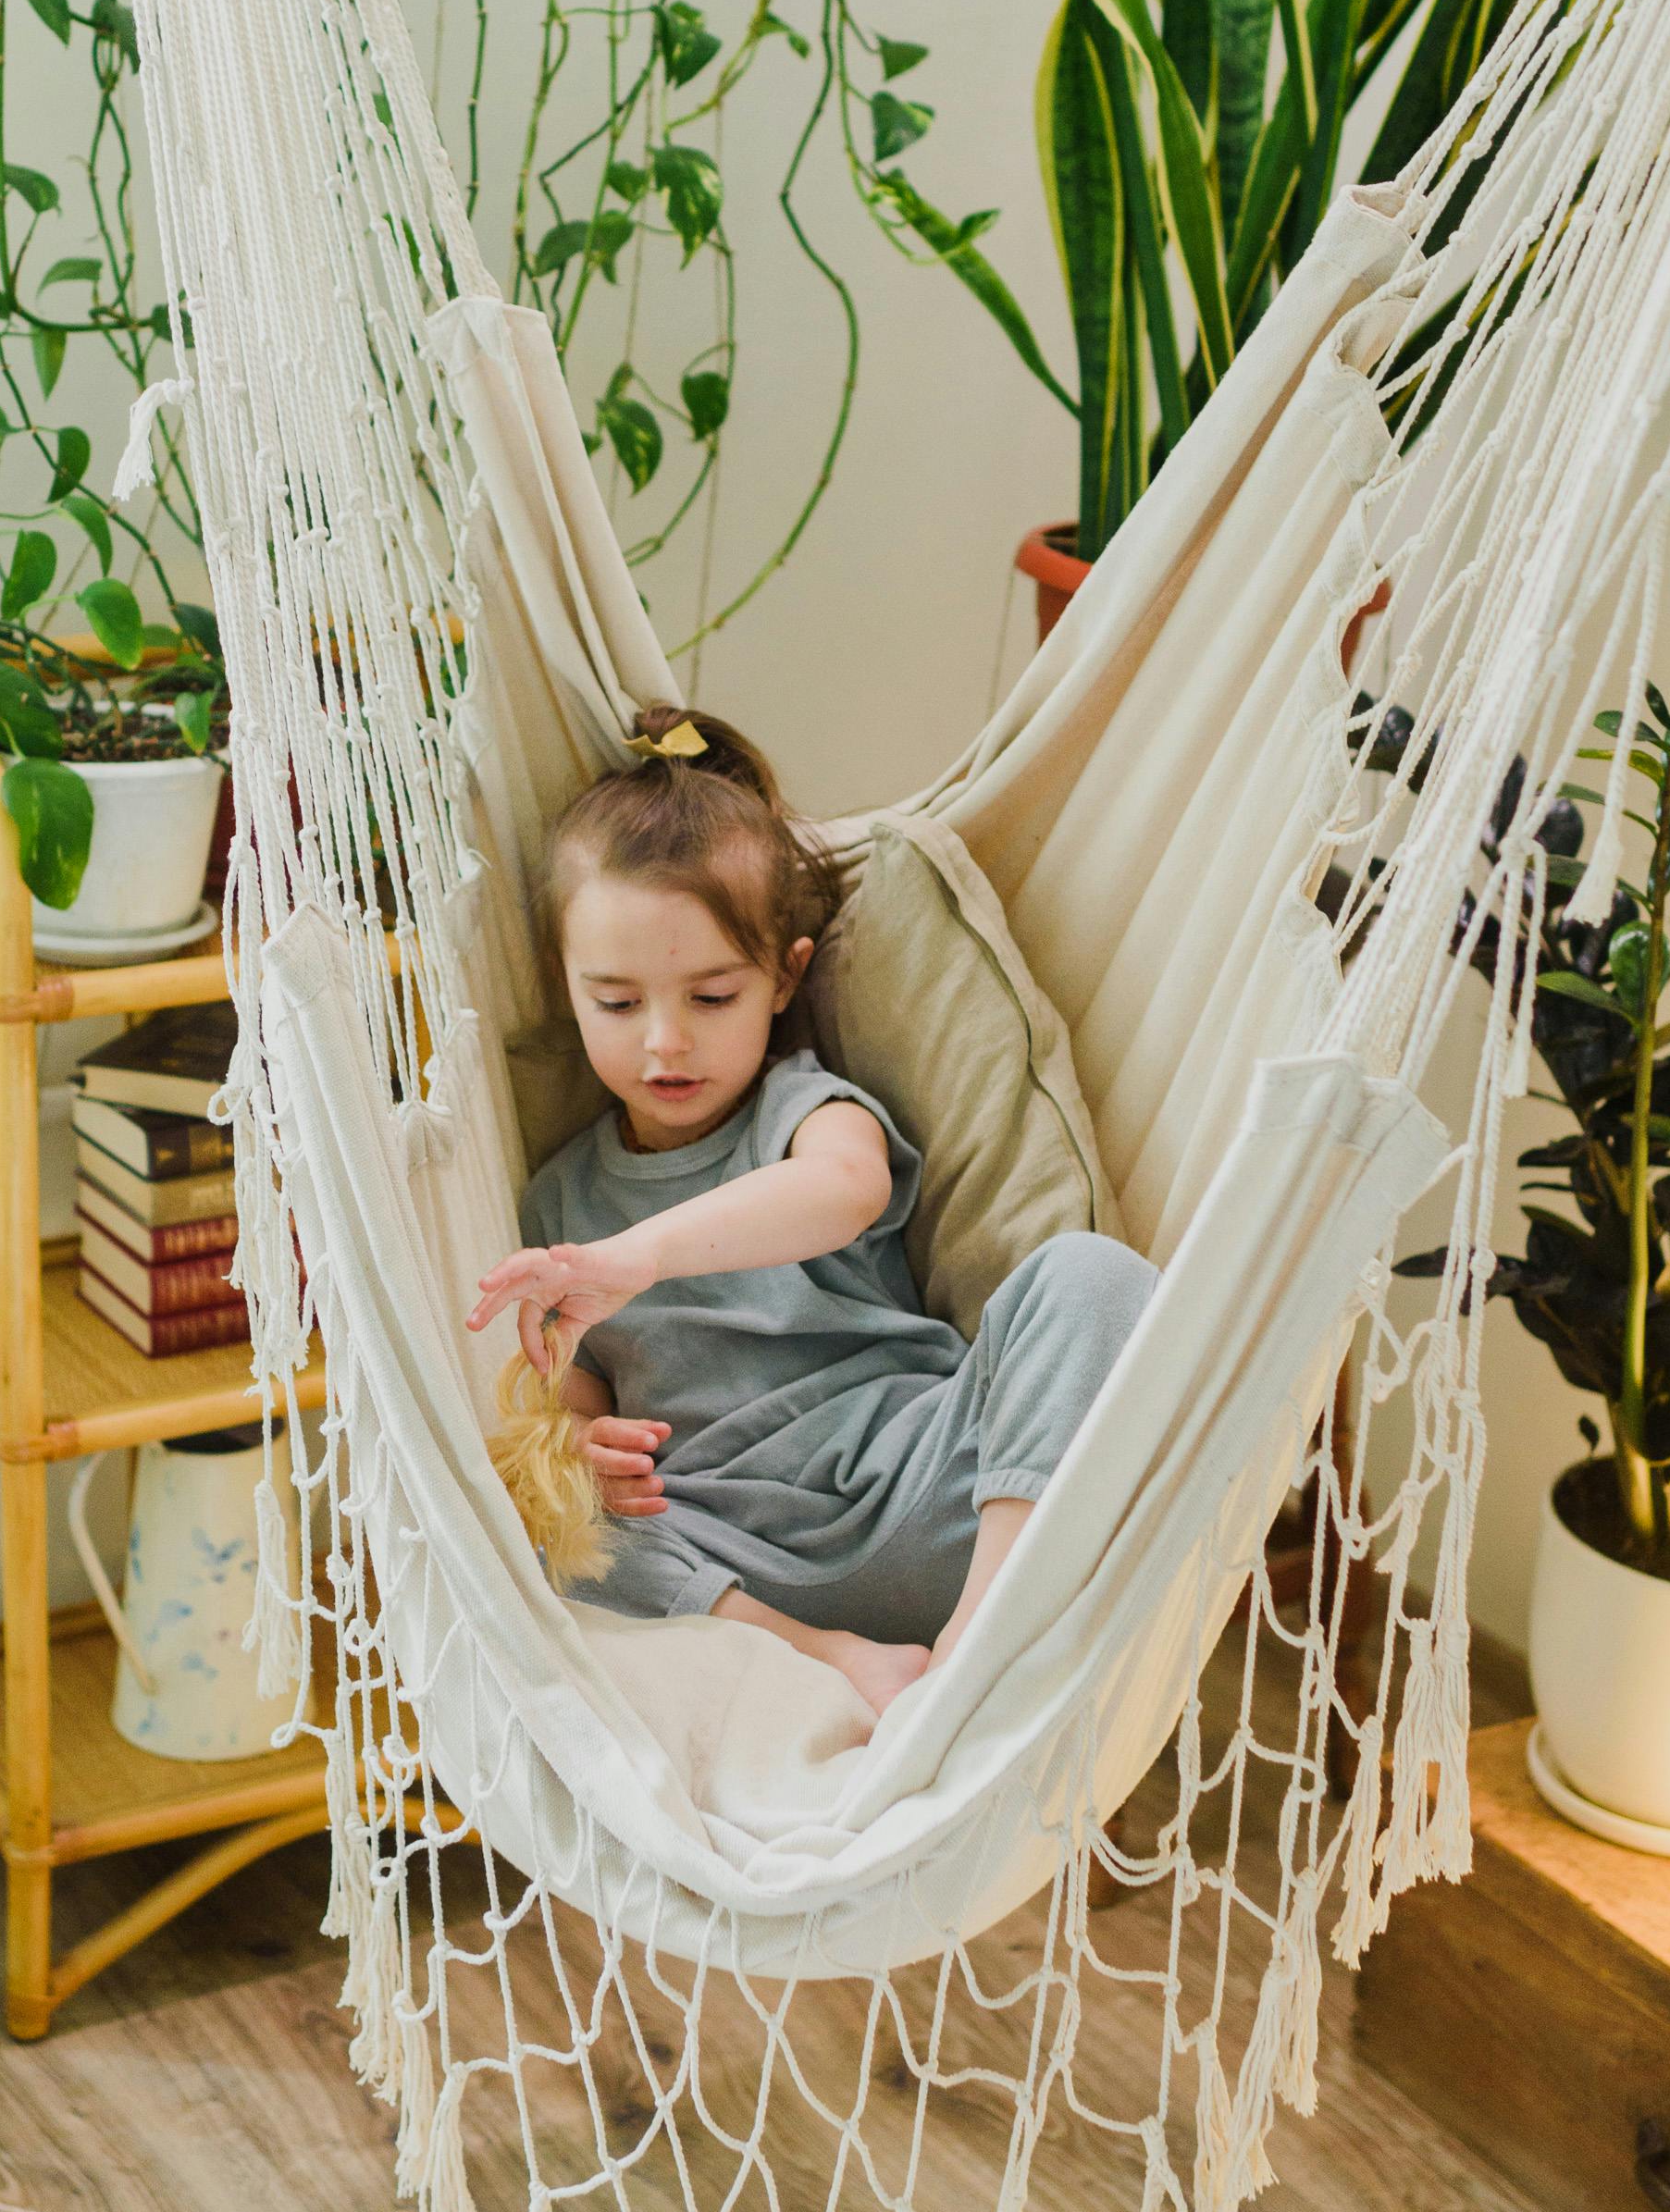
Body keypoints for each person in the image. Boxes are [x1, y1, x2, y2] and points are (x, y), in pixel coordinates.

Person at [468, 705, 1157, 1719]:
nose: (666, 1043)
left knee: (1096, 1278)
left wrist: (639, 1257)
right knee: (534, 1527)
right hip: (735, 1551)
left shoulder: (804, 1110)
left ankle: (979, 1636)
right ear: (565, 989)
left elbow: (847, 1193)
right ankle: (837, 1657)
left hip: (930, 1491)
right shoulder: (557, 1196)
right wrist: (582, 1455)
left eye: (711, 998)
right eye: (617, 1004)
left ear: (784, 976)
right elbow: (575, 1410)